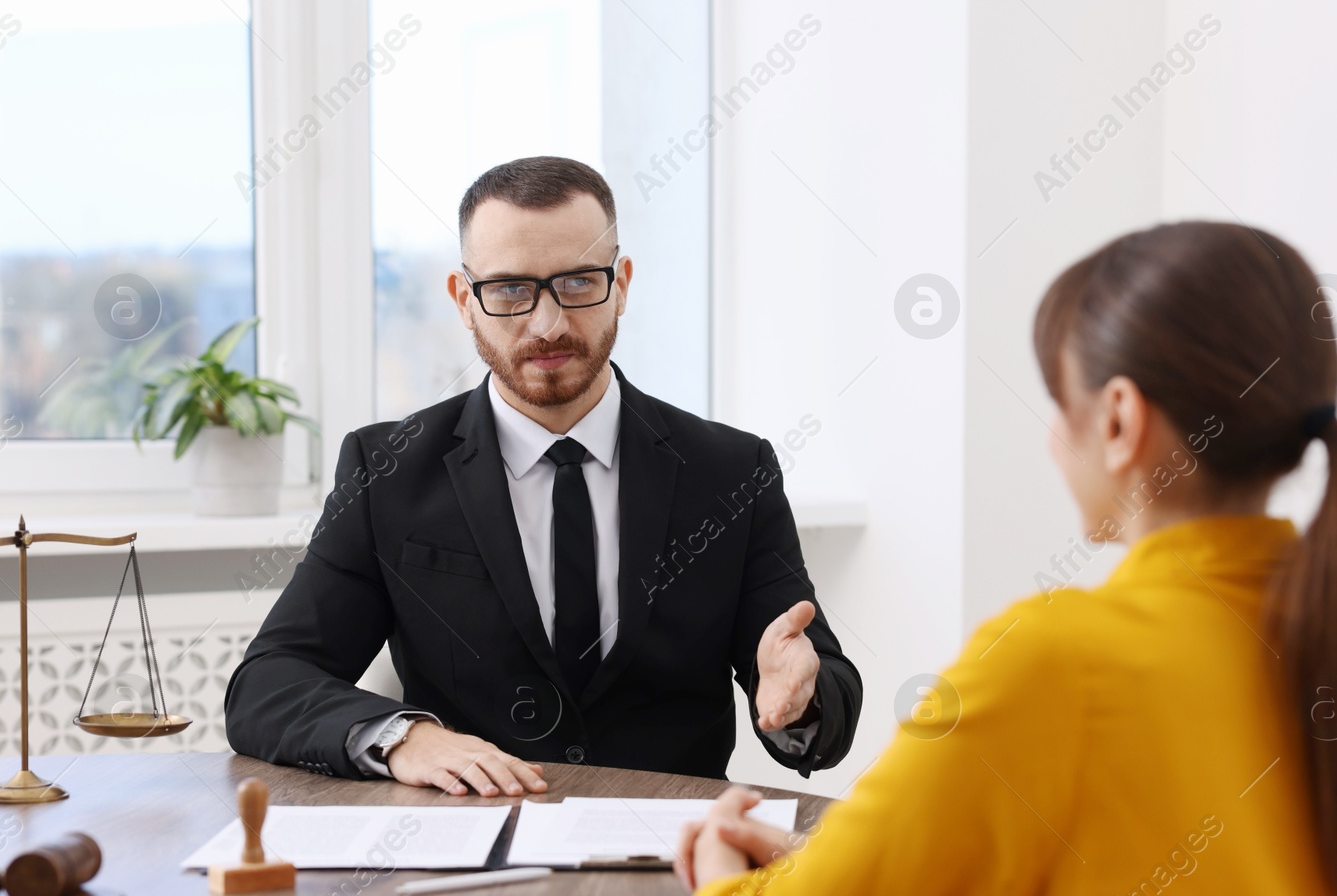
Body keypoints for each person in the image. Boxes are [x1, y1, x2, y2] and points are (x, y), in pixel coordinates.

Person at [671, 221, 1337, 896]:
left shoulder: (1059, 660)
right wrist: (839, 867)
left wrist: (721, 889)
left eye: (1059, 404)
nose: (1052, 439)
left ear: (1119, 419)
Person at [225, 156, 861, 796]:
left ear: (622, 284)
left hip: (678, 859)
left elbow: (824, 701)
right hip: (467, 852)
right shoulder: (386, 471)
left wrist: (800, 701)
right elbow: (268, 684)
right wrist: (403, 738)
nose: (547, 323)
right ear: (463, 300)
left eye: (580, 282)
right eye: (509, 290)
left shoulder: (730, 471)